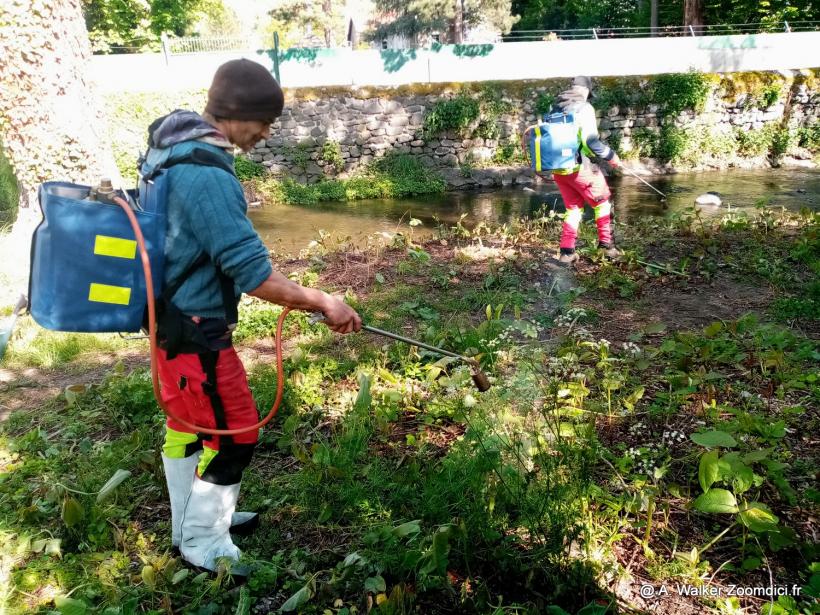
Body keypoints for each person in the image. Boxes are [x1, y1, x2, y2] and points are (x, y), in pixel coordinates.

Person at [141, 59, 362, 574]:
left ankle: (188, 520)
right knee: (238, 434)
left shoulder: (171, 148)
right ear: (237, 113)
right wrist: (325, 300)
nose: (266, 133)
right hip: (197, 332)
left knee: (187, 424)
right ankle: (202, 541)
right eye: (264, 121)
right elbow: (253, 274)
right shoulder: (206, 175)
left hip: (169, 321)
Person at [550, 76, 621, 265]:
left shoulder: (555, 107)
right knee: (602, 203)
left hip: (560, 170)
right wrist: (612, 157)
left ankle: (566, 253)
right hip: (580, 168)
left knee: (573, 209)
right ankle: (607, 247)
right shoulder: (584, 108)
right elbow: (591, 142)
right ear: (587, 91)